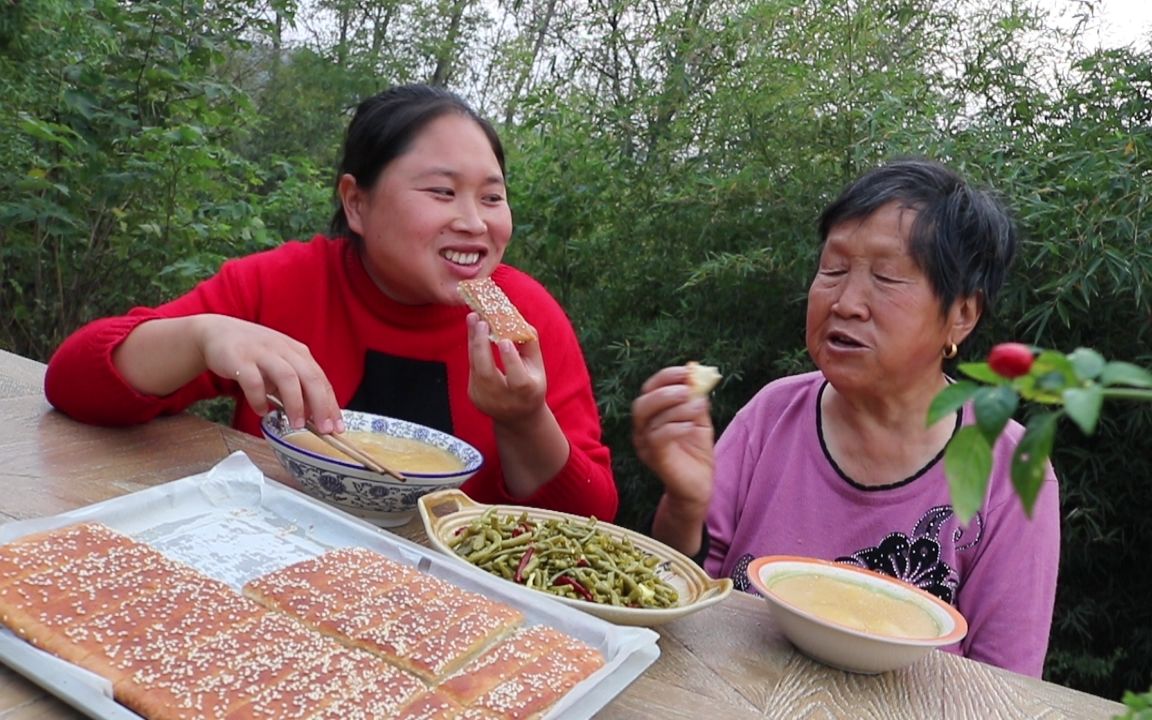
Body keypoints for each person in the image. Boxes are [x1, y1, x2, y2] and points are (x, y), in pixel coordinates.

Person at [44, 83, 617, 521]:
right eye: (442, 192)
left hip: (451, 614)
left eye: (493, 197)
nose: (473, 222)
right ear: (356, 204)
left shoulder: (526, 317)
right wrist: (203, 337)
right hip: (274, 563)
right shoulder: (284, 284)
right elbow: (73, 384)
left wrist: (523, 418)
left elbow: (591, 520)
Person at [631, 159, 1059, 677]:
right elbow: (678, 602)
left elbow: (1005, 688)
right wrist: (683, 502)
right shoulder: (773, 414)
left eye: (886, 277)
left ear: (962, 315)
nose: (846, 302)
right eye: (832, 270)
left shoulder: (1010, 470)